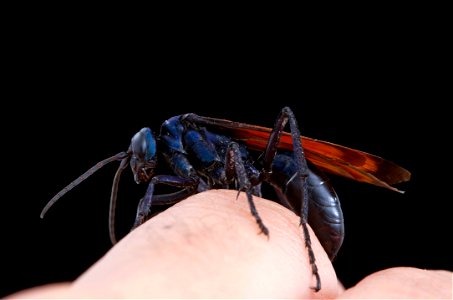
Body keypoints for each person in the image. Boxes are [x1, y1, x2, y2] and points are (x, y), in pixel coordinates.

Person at [6, 190, 452, 299]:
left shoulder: (190, 136)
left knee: (285, 117)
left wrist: (255, 212)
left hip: (302, 218)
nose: (142, 169)